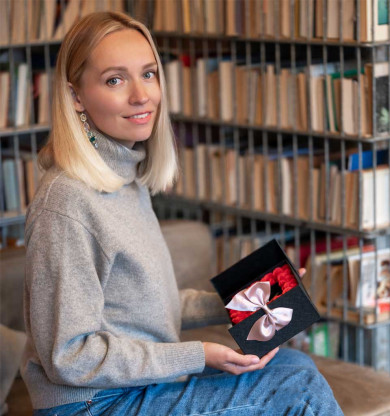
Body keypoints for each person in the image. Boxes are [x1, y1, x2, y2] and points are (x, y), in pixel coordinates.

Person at [23, 11, 343, 416]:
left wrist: (250, 300)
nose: (141, 95)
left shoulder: (125, 180)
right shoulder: (66, 203)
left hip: (130, 388)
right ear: (76, 96)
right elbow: (69, 355)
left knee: (293, 364)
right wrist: (198, 355)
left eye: (149, 74)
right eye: (115, 80)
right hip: (92, 404)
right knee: (298, 388)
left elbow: (142, 307)